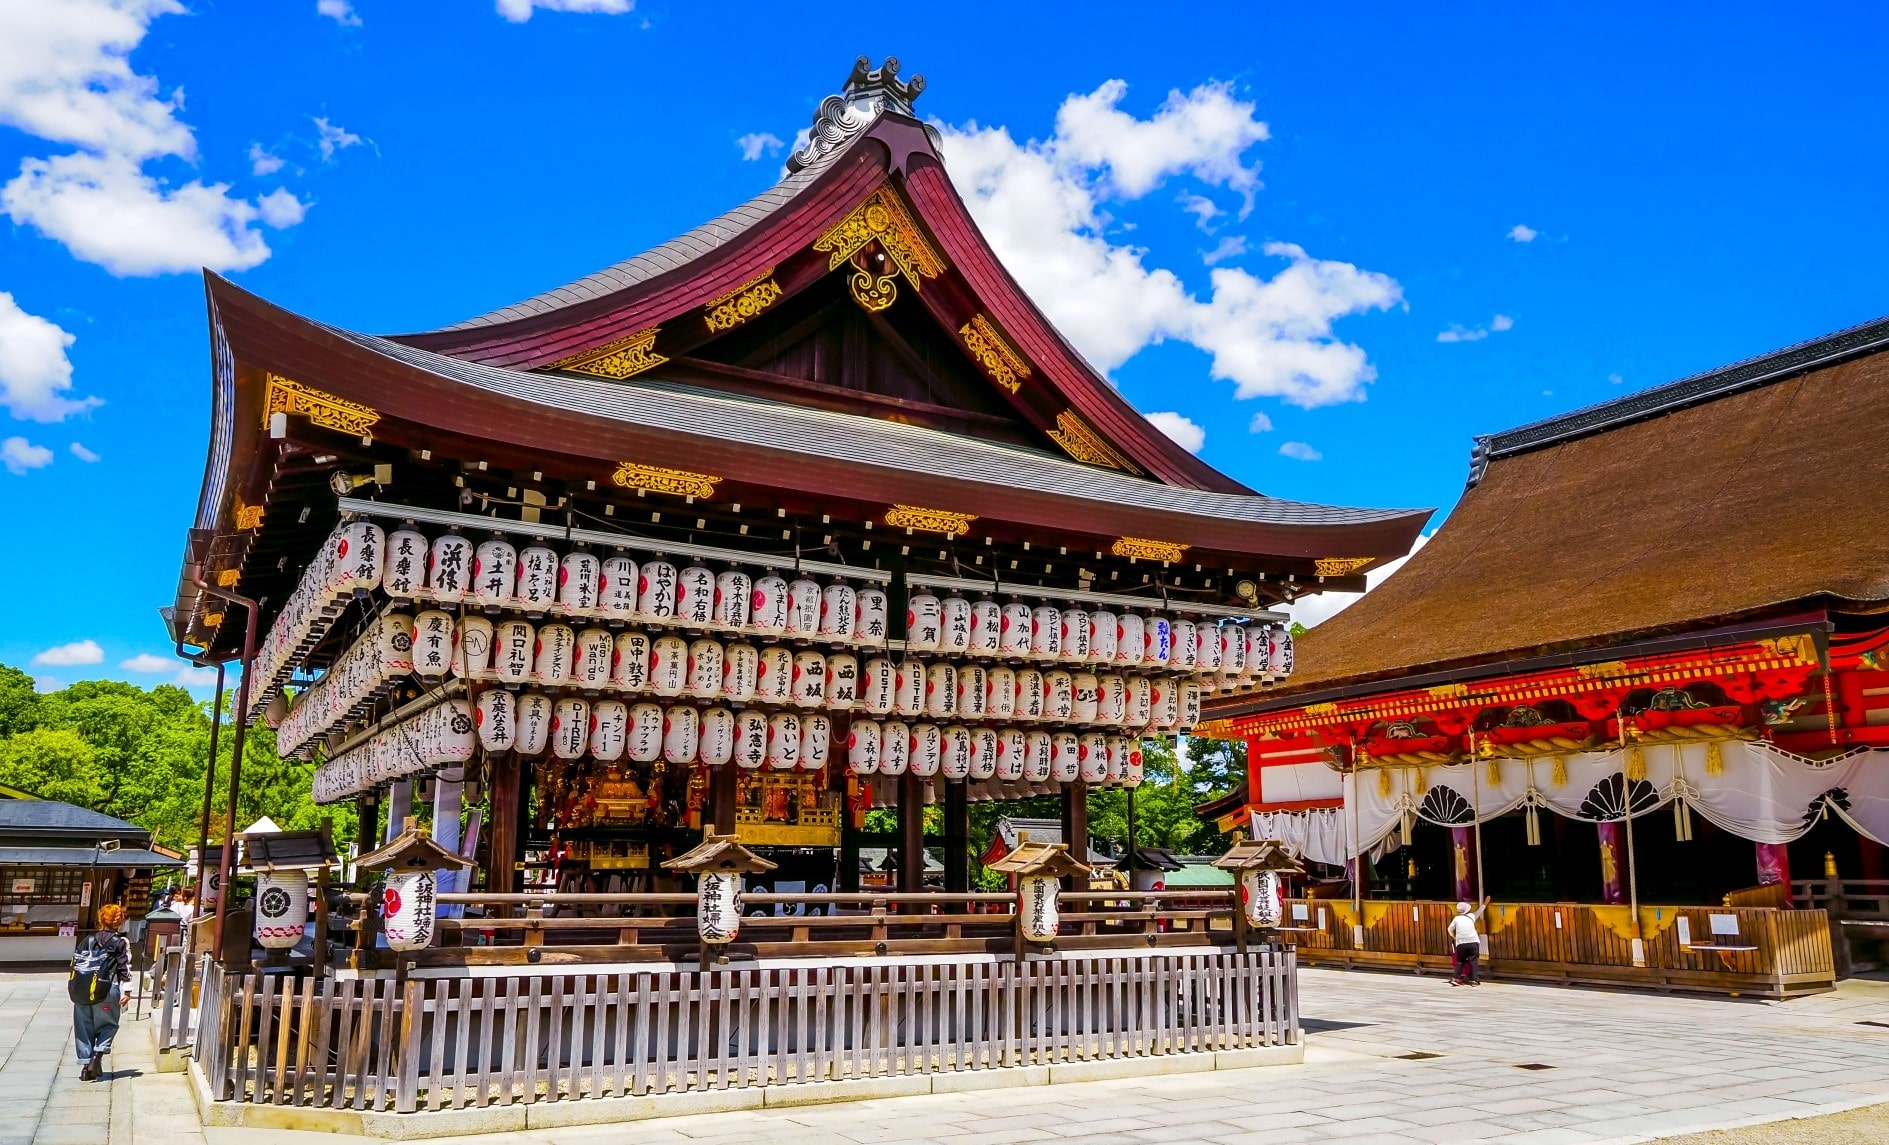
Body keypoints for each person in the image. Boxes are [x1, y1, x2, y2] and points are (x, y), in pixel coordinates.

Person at [69, 903, 132, 1081]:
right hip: (107, 989)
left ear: (101, 919)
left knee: (83, 1027)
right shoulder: (120, 942)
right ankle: (98, 1053)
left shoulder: (87, 940)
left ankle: (85, 1067)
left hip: (82, 990)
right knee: (109, 1024)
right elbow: (124, 967)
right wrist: (127, 991)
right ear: (119, 922)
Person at [1447, 896, 1492, 986]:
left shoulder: (1456, 919)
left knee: (1460, 961)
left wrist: (1454, 936)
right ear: (1467, 910)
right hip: (1473, 941)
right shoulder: (1472, 916)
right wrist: (1486, 901)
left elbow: (1449, 929)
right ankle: (1474, 980)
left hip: (1461, 943)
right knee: (1473, 961)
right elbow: (1481, 909)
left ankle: (1456, 978)